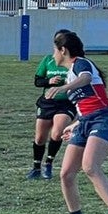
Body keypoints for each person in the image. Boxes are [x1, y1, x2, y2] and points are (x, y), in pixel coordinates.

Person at [43, 30, 108, 214]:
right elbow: (84, 106)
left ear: (63, 50)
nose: (53, 55)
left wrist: (63, 88)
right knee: (66, 174)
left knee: (90, 166)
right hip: (85, 122)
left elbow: (86, 78)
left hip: (103, 119)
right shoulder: (71, 73)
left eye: (54, 50)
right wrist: (74, 125)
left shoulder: (81, 64)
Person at [28, 29, 76, 180]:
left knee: (56, 133)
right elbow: (37, 81)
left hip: (66, 103)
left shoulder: (75, 62)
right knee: (40, 138)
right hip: (47, 102)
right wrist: (49, 81)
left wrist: (69, 84)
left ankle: (48, 163)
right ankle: (36, 167)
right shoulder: (48, 60)